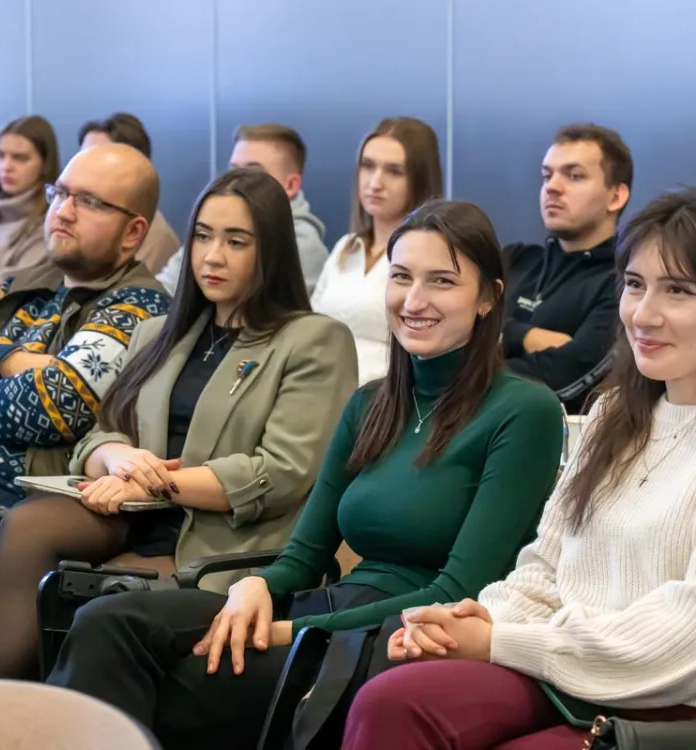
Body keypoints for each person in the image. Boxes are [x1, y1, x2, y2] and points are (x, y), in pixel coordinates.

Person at [46, 200, 564, 750]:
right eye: (402, 277)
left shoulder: (523, 410)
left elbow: (458, 590)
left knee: (175, 679)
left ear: (488, 297)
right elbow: (303, 558)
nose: (414, 301)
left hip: (402, 635)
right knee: (108, 622)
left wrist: (288, 632)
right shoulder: (371, 404)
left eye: (442, 282)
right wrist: (254, 587)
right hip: (329, 609)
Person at [342, 189, 696, 749]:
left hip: (691, 712)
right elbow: (546, 566)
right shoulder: (614, 414)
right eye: (634, 284)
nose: (643, 313)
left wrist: (503, 642)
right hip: (570, 676)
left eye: (678, 290)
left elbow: (694, 641)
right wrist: (475, 619)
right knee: (391, 700)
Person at [0, 168, 358, 679]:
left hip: (221, 541)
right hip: (131, 514)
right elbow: (102, 433)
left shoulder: (314, 340)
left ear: (271, 250)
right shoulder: (158, 334)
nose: (212, 256)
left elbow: (280, 473)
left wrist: (151, 484)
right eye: (204, 237)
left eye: (236, 241)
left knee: (95, 606)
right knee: (27, 523)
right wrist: (118, 459)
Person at [0, 143, 170, 509]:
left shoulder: (142, 307)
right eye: (59, 193)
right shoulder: (21, 285)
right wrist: (21, 362)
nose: (63, 211)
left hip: (28, 503)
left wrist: (9, 356)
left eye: (89, 201)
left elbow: (51, 406)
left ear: (132, 232)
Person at [502, 123, 632, 414]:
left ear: (615, 196)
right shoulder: (514, 260)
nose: (553, 187)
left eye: (574, 176)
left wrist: (491, 343)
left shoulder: (627, 280)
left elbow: (568, 377)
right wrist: (523, 336)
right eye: (547, 175)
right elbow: (454, 332)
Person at [311, 116, 443, 385]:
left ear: (419, 179)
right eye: (367, 166)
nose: (375, 182)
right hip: (319, 393)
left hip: (386, 401)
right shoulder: (344, 248)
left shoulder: (434, 257)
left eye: (394, 171)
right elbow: (311, 330)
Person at [157, 123, 328, 295]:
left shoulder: (302, 244)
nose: (237, 183)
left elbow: (274, 314)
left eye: (252, 174)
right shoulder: (212, 221)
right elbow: (165, 286)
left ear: (291, 185)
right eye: (234, 171)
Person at [78, 113, 181, 274]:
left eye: (99, 159)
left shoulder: (156, 236)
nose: (84, 167)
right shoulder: (71, 214)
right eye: (82, 157)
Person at [0, 115, 59, 283]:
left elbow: (10, 288)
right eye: (0, 155)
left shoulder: (51, 224)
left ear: (44, 164)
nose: (6, 166)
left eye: (19, 158)